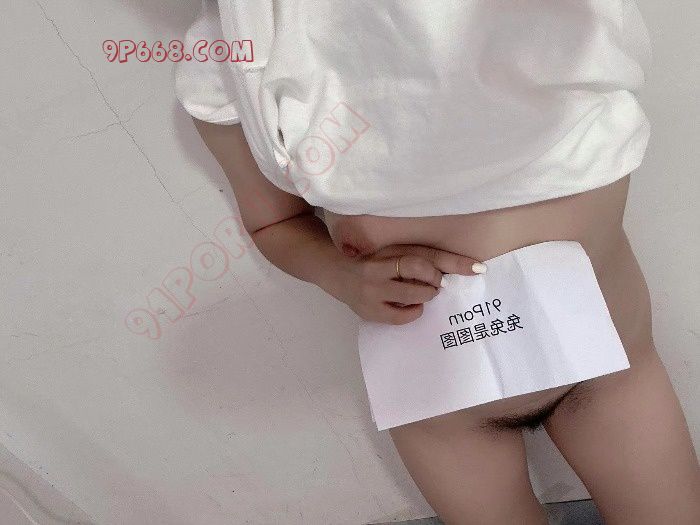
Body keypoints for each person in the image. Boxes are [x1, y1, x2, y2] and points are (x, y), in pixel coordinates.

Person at [176, 1, 700, 523]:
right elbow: (272, 222)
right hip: (441, 406)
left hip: (610, 369)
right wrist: (339, 275)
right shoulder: (236, 44)